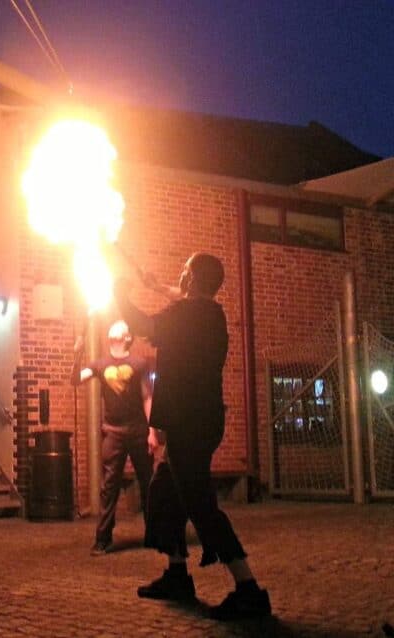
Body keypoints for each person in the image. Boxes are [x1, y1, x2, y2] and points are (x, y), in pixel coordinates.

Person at [114, 253, 271, 620]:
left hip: (190, 424)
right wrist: (155, 285)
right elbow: (183, 302)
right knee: (165, 492)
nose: (179, 277)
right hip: (201, 420)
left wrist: (118, 294)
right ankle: (177, 575)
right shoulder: (209, 314)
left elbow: (143, 324)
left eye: (184, 272)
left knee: (200, 503)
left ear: (193, 279)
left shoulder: (186, 315)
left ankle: (248, 589)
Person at [70, 319, 154, 556]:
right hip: (113, 432)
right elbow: (75, 379)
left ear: (128, 337)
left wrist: (152, 430)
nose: (116, 326)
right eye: (114, 326)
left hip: (138, 431)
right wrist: (77, 354)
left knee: (148, 483)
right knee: (109, 487)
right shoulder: (99, 364)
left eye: (121, 326)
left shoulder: (139, 363)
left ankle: (154, 534)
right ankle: (103, 539)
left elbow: (147, 396)